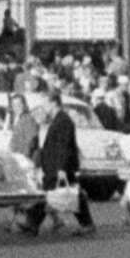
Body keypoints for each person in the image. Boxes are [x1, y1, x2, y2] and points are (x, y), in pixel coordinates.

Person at [32, 95, 92, 232]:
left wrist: (61, 168)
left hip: (60, 166)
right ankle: (33, 224)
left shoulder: (63, 120)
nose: (44, 107)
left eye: (45, 103)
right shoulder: (57, 119)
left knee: (54, 193)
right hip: (56, 165)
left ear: (54, 103)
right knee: (54, 193)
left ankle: (32, 224)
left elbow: (64, 146)